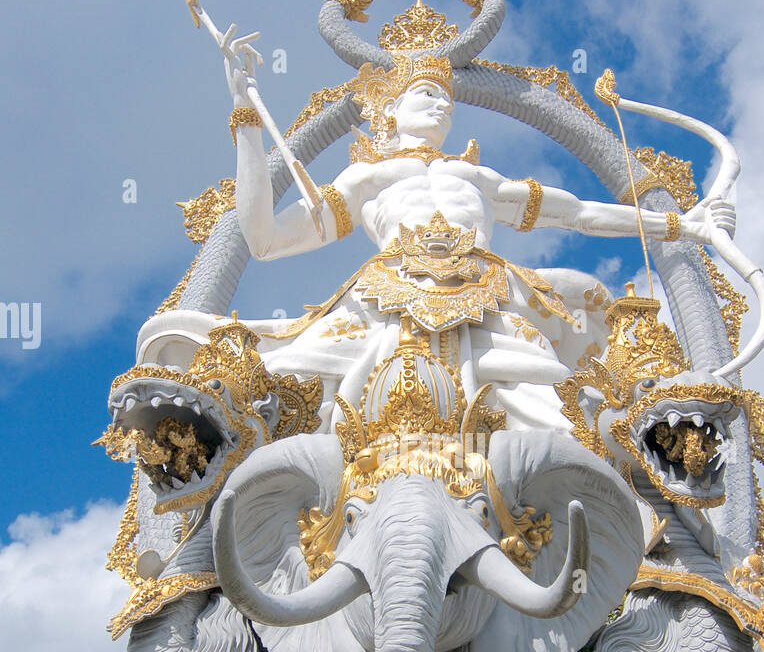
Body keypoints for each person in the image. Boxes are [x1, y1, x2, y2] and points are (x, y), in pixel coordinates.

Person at [222, 40, 734, 434]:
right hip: (387, 300)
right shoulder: (365, 180)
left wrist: (683, 225)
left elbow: (576, 214)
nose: (442, 106)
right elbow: (265, 239)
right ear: (390, 111)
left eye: (447, 99)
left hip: (489, 299)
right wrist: (247, 118)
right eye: (426, 94)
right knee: (285, 388)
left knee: (559, 418)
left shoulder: (478, 180)